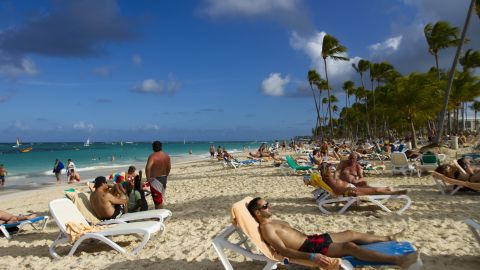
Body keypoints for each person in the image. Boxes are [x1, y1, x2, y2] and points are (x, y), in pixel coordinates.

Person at [247, 197, 418, 268]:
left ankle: (388, 238)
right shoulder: (266, 228)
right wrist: (312, 257)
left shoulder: (273, 221)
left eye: (268, 203)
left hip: (312, 239)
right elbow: (284, 251)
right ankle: (398, 260)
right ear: (257, 213)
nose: (270, 206)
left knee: (350, 233)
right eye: (265, 206)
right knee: (350, 247)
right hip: (308, 248)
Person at [319, 163, 407, 196]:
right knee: (374, 191)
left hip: (349, 188)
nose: (331, 171)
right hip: (349, 191)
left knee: (366, 185)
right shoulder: (328, 179)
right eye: (330, 170)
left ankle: (386, 189)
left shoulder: (326, 178)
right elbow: (337, 190)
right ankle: (393, 193)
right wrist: (349, 188)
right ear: (326, 171)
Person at [145, 141, 171, 209]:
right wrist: (166, 174)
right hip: (164, 178)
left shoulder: (152, 156)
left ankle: (158, 216)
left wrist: (148, 178)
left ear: (153, 147)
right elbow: (169, 167)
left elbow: (148, 168)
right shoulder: (166, 156)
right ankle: (160, 213)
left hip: (155, 180)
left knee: (157, 200)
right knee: (160, 198)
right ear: (161, 146)